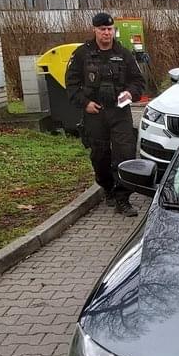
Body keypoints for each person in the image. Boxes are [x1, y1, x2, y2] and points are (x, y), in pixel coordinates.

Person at [65, 12, 145, 217]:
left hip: (120, 112)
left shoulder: (124, 54)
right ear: (95, 30)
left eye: (109, 29)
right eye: (102, 29)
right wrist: (85, 104)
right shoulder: (82, 54)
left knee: (125, 154)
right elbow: (71, 85)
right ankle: (108, 188)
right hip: (95, 113)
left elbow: (138, 82)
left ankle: (122, 198)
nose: (107, 33)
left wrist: (130, 93)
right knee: (100, 157)